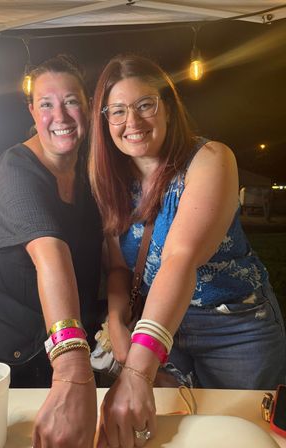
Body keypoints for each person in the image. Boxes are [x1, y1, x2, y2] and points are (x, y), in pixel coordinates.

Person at [89, 54, 286, 447]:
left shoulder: (211, 159)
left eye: (145, 104)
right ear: (105, 121)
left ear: (168, 107)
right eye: (118, 111)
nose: (133, 121)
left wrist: (138, 370)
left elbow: (181, 258)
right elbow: (117, 269)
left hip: (236, 329)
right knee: (167, 435)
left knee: (241, 435)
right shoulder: (112, 181)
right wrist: (116, 324)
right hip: (164, 331)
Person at [0, 54, 103, 448]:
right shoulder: (14, 169)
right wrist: (72, 367)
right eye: (47, 104)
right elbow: (51, 255)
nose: (61, 116)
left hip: (50, 340)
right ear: (32, 110)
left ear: (87, 106)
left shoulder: (89, 169)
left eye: (71, 101)